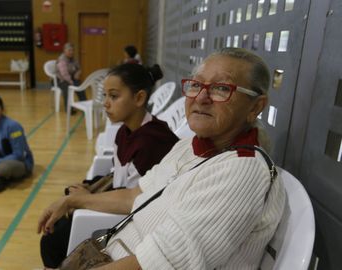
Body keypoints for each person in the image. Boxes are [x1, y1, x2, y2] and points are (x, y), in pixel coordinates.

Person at [38, 48, 286, 269]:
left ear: (255, 107)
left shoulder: (242, 170)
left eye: (222, 88)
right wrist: (74, 201)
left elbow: (158, 263)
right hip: (111, 252)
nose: (201, 97)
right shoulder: (189, 146)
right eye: (196, 85)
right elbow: (136, 195)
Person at [39, 63, 179, 269]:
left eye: (113, 96)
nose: (105, 103)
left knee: (52, 241)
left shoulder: (153, 141)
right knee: (59, 222)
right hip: (123, 201)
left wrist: (86, 198)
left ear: (139, 98)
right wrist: (87, 190)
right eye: (104, 96)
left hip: (136, 218)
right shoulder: (125, 131)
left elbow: (136, 199)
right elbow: (119, 176)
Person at [56, 42, 86, 113]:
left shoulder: (74, 59)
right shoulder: (62, 60)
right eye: (69, 50)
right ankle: (69, 109)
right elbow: (64, 74)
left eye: (72, 50)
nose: (71, 52)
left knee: (80, 86)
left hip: (71, 78)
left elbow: (79, 68)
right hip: (61, 80)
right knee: (68, 88)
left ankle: (84, 105)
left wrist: (78, 73)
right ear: (64, 51)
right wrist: (72, 83)